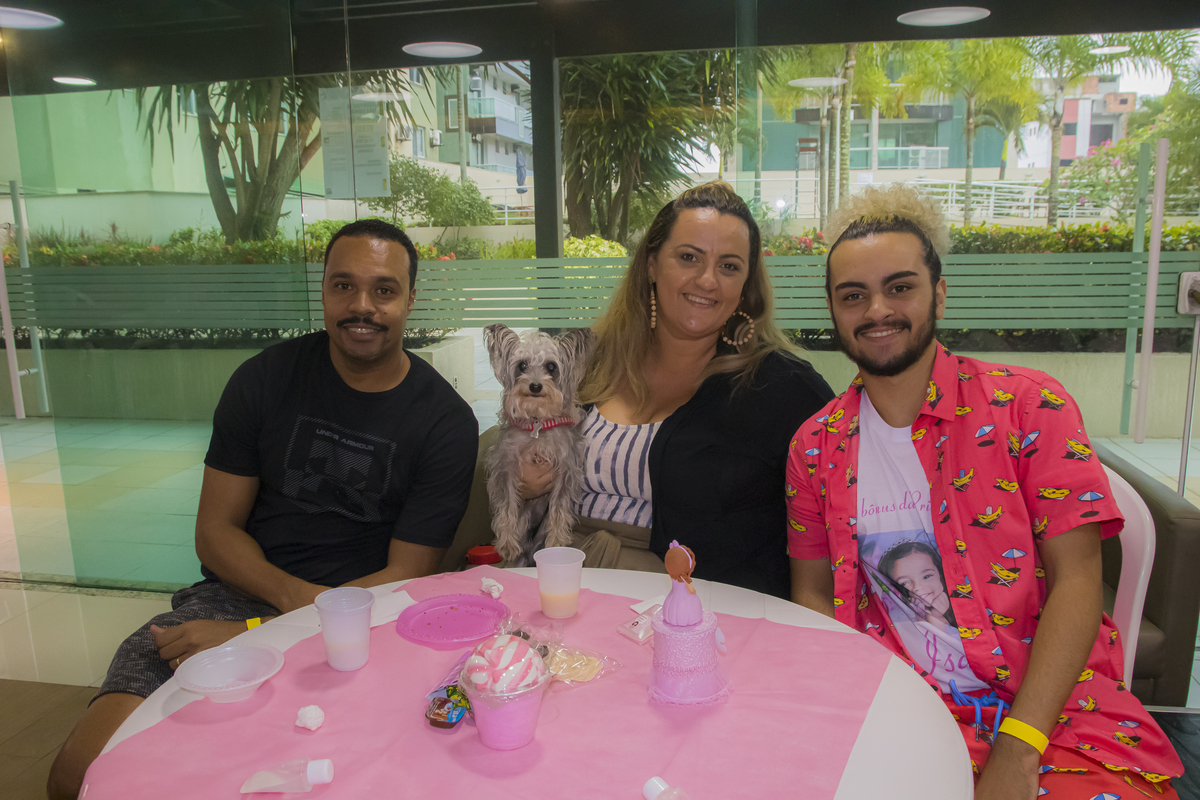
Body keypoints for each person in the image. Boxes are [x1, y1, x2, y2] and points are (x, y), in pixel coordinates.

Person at [47, 219, 478, 799]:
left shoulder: (444, 422)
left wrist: (265, 634)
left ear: (410, 300)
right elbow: (215, 531)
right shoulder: (265, 378)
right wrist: (282, 609)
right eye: (343, 286)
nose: (362, 306)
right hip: (237, 598)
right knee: (78, 774)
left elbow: (407, 575)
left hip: (365, 618)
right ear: (323, 290)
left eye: (383, 290)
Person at [786, 183, 1183, 798]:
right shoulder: (814, 446)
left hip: (1055, 712)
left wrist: (1020, 746)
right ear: (833, 311)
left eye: (900, 287)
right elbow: (813, 594)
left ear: (939, 294)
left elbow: (1078, 581)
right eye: (853, 295)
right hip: (900, 707)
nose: (877, 310)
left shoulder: (1029, 407)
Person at [521, 181, 833, 598]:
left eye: (729, 266)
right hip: (556, 577)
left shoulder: (784, 389)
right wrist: (522, 485)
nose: (707, 280)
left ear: (746, 285)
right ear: (652, 265)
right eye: (688, 258)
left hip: (695, 607)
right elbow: (519, 459)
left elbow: (841, 512)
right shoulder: (587, 362)